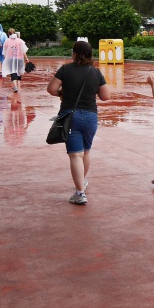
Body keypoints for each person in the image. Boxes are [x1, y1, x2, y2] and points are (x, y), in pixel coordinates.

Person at [46, 40, 109, 205]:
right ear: (90, 55)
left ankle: (80, 193)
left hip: (70, 116)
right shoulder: (95, 72)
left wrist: (62, 93)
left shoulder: (65, 69)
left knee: (75, 155)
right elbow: (105, 96)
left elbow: (51, 89)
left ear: (74, 53)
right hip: (90, 117)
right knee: (86, 152)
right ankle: (83, 182)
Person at [1, 28, 28, 92]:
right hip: (19, 58)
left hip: (10, 59)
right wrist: (26, 58)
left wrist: (5, 58)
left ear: (8, 34)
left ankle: (15, 86)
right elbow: (24, 50)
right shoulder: (20, 41)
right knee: (18, 71)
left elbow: (4, 52)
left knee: (12, 72)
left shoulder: (7, 41)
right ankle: (18, 84)